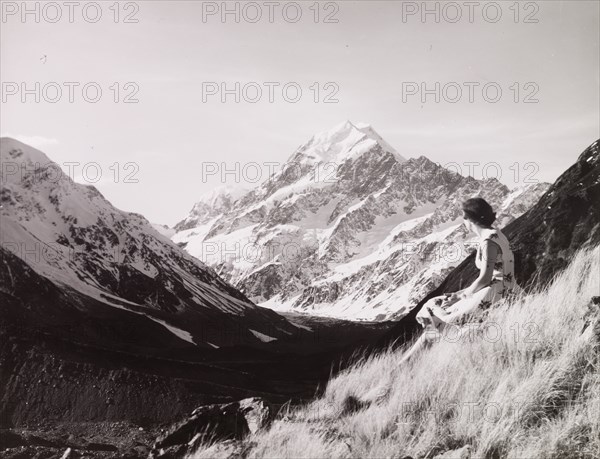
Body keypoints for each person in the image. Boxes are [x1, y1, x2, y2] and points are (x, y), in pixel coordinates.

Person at [398, 197, 521, 364]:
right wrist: (460, 293)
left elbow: (485, 278)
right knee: (434, 308)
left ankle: (410, 362)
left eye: (464, 217)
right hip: (506, 288)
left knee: (434, 311)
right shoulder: (496, 234)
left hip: (495, 293)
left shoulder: (488, 242)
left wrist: (462, 296)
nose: (463, 221)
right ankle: (411, 360)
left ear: (470, 219)